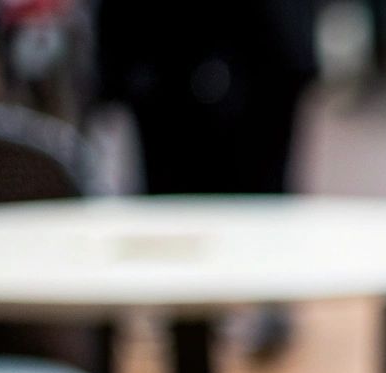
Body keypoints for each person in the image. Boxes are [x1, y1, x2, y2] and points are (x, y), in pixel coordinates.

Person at [95, 0, 318, 354]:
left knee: (262, 192)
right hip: (161, 56)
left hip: (265, 52)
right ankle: (188, 320)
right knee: (175, 199)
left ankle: (261, 304)